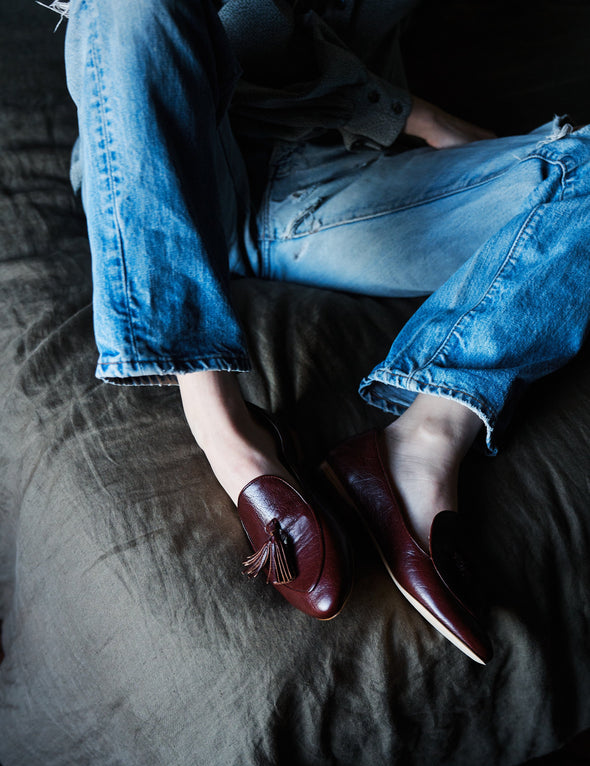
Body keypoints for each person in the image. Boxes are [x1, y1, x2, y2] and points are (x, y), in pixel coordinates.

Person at [56, 0, 590, 665]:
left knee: (585, 171)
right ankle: (226, 430)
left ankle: (423, 441)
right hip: (173, 167)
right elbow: (246, 38)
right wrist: (414, 115)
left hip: (322, 185)